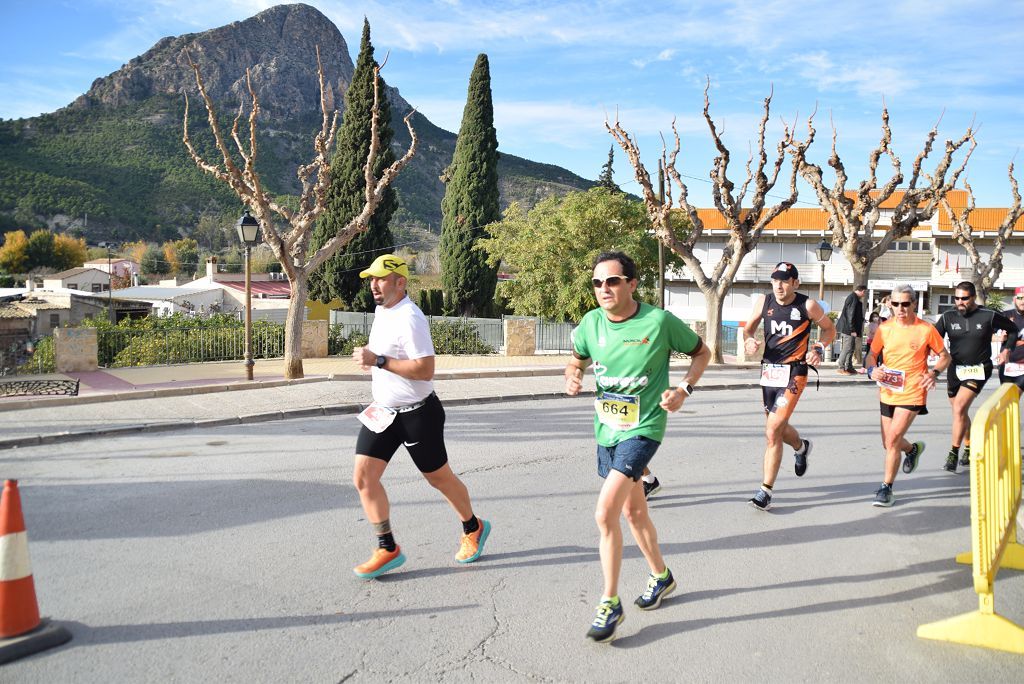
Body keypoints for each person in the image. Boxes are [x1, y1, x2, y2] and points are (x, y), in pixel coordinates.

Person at [565, 251, 710, 644]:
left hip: (643, 429)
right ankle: (662, 576)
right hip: (606, 430)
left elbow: (702, 353)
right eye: (597, 283)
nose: (604, 289)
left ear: (631, 283)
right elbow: (576, 360)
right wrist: (573, 376)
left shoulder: (657, 322)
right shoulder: (591, 323)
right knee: (633, 511)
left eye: (612, 281)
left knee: (604, 513)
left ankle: (610, 601)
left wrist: (683, 389)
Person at [349, 254, 490, 579]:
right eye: (371, 279)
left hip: (418, 415)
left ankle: (473, 526)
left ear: (401, 282)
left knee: (438, 478)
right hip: (384, 412)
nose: (374, 285)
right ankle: (387, 547)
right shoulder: (382, 311)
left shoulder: (411, 317)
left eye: (380, 279)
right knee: (363, 478)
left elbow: (425, 370)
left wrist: (379, 360)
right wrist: (373, 359)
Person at [741, 262, 835, 511]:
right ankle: (801, 447)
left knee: (772, 430)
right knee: (778, 428)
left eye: (784, 281)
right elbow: (748, 328)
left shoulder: (808, 305)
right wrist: (749, 340)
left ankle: (765, 491)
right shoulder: (764, 302)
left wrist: (818, 348)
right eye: (775, 280)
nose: (779, 286)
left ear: (795, 283)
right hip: (770, 371)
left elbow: (829, 330)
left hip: (795, 372)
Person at [865, 284, 951, 507]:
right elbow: (871, 355)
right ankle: (912, 450)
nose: (900, 308)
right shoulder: (884, 328)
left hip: (913, 390)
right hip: (887, 390)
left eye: (905, 304)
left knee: (893, 439)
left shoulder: (926, 330)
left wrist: (934, 373)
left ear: (914, 304)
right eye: (895, 304)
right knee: (888, 442)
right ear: (889, 304)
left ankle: (886, 489)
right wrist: (872, 369)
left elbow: (944, 356)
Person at [934, 282, 1017, 472]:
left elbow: (1012, 330)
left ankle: (953, 453)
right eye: (957, 298)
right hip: (955, 370)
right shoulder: (948, 317)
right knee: (959, 412)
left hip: (979, 369)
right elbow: (933, 338)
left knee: (959, 408)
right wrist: (937, 354)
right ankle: (970, 446)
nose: (959, 302)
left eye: (964, 298)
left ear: (973, 298)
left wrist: (1006, 350)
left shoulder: (988, 315)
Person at [835, 284, 867, 375]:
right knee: (847, 347)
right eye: (865, 292)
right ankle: (841, 367)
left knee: (851, 348)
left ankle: (849, 367)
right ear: (863, 291)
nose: (865, 295)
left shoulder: (854, 298)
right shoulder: (853, 298)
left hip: (850, 328)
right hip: (848, 328)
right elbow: (850, 314)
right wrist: (852, 329)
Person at [999, 285, 1024, 392]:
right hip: (1006, 364)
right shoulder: (1005, 315)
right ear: (1014, 299)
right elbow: (988, 334)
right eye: (1020, 298)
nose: (1023, 301)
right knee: (1007, 399)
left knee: (1014, 395)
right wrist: (1000, 337)